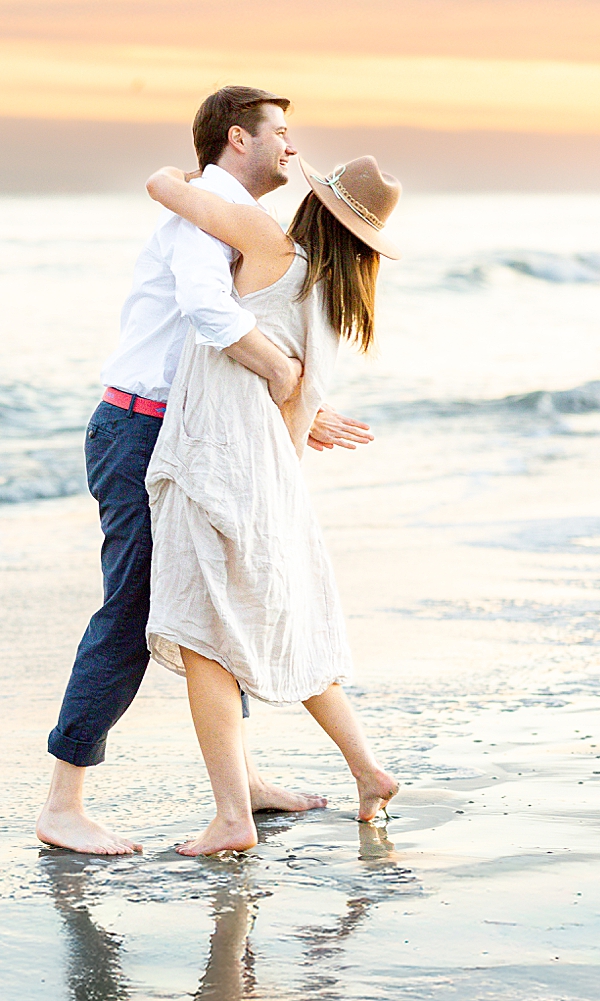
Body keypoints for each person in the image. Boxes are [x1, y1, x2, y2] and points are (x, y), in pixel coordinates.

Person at [35, 86, 376, 855]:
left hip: (188, 428)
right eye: (280, 133)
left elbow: (227, 344)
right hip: (140, 428)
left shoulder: (226, 212)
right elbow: (208, 313)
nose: (292, 147)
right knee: (131, 611)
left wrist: (294, 402)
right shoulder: (202, 209)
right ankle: (63, 800)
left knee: (219, 601)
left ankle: (242, 785)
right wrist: (288, 379)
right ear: (236, 139)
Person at [143, 152, 404, 855]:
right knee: (284, 626)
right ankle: (368, 769)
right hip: (270, 473)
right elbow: (295, 393)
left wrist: (187, 170)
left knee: (203, 634)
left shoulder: (269, 244)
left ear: (316, 205)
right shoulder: (334, 299)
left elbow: (168, 190)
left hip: (218, 460)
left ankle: (233, 816)